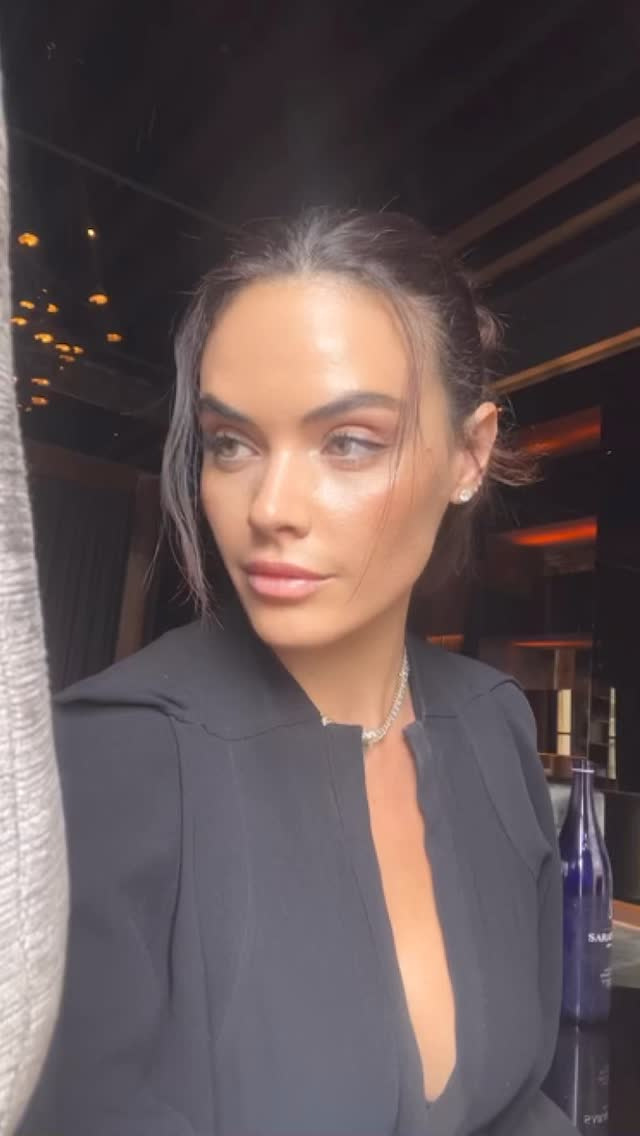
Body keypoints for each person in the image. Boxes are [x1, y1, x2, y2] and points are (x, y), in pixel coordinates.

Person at [20, 209, 577, 1136]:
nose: (270, 508)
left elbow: (519, 1102)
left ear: (469, 456)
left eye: (349, 440)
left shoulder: (493, 723)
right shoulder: (105, 762)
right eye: (231, 443)